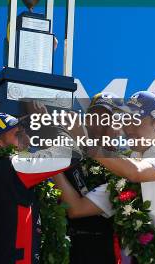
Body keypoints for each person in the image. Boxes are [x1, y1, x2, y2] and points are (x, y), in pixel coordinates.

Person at [57, 91, 155, 257]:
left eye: (136, 121)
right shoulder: (125, 166)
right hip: (141, 259)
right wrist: (51, 160)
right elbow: (76, 208)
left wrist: (86, 143)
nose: (128, 128)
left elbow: (136, 172)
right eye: (126, 121)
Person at [0, 112, 78, 264]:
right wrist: (52, 126)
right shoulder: (11, 166)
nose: (28, 141)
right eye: (18, 135)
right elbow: (72, 153)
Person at [53, 92, 124, 264]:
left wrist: (51, 166)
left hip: (99, 252)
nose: (98, 124)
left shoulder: (124, 167)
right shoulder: (70, 150)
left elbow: (76, 209)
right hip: (64, 248)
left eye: (106, 118)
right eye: (94, 117)